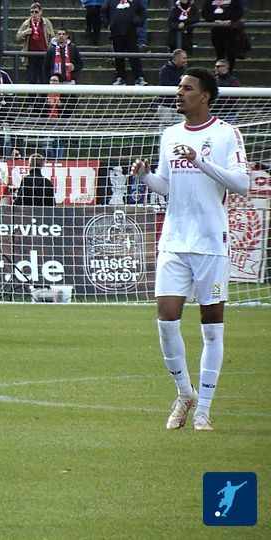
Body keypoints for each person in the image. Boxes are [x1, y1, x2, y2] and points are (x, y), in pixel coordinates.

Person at [130, 67, 249, 431]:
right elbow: (167, 186)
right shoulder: (169, 134)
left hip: (211, 241)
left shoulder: (227, 133)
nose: (179, 93)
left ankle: (204, 411)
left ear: (205, 96)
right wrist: (146, 176)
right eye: (179, 87)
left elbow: (241, 183)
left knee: (211, 327)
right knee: (166, 320)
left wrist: (199, 159)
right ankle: (185, 394)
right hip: (175, 239)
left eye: (187, 88)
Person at [102, 0, 147, 85]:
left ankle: (139, 77)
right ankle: (120, 77)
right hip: (116, 33)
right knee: (118, 56)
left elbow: (142, 12)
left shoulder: (135, 1)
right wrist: (108, 24)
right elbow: (104, 12)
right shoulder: (110, 1)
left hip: (131, 33)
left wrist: (138, 21)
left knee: (134, 56)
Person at [16, 3, 54, 85]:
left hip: (44, 55)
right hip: (30, 55)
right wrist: (24, 33)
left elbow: (52, 37)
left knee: (44, 80)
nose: (34, 14)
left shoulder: (47, 23)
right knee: (31, 80)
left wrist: (50, 51)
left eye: (36, 12)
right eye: (32, 12)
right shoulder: (26, 24)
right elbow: (17, 38)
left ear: (41, 12)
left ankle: (44, 94)